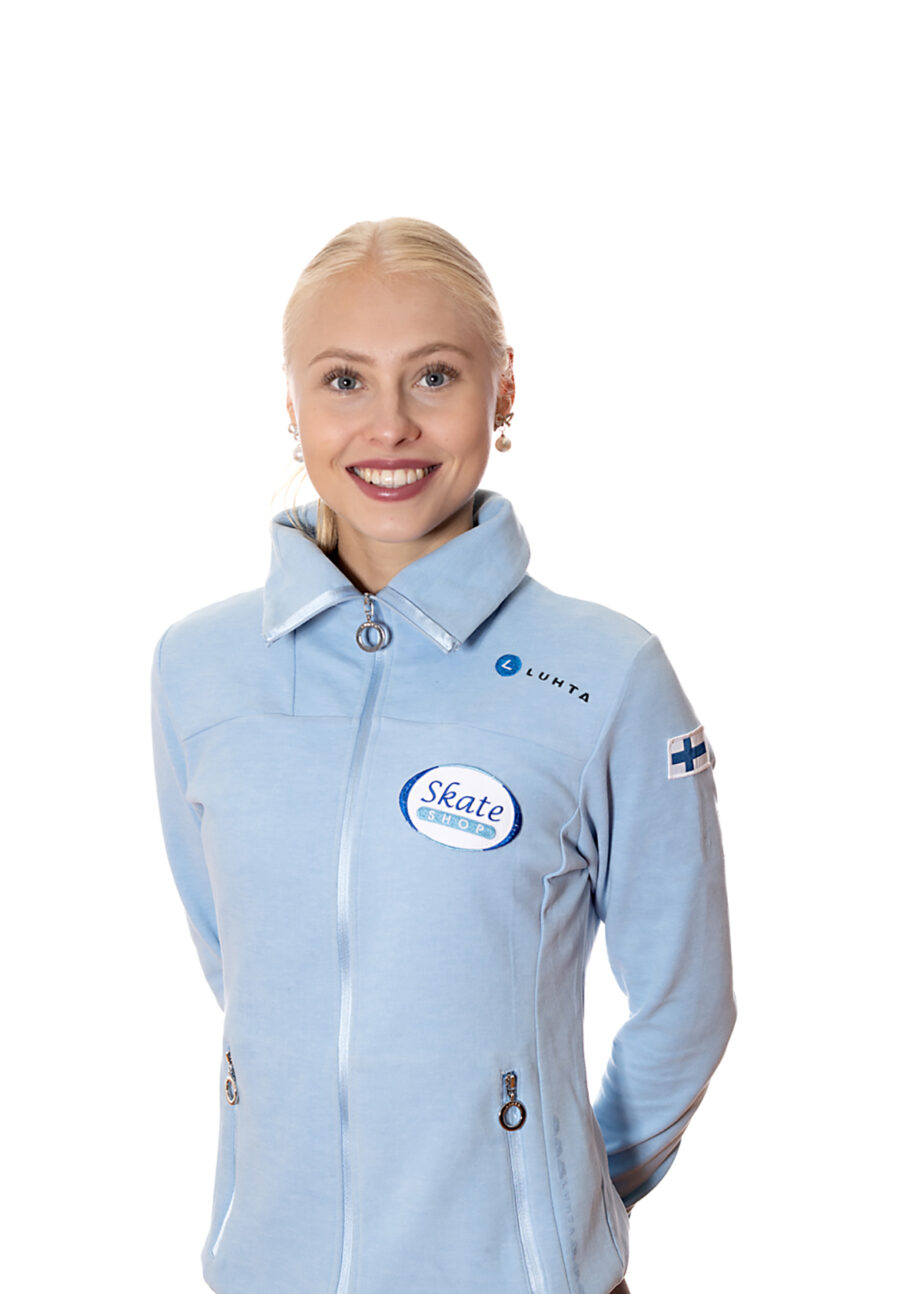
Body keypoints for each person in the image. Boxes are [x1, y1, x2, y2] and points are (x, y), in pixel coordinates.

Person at [150, 216, 737, 1294]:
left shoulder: (608, 673)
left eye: (434, 376)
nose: (390, 426)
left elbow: (686, 1005)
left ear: (503, 389)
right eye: (343, 380)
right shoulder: (199, 669)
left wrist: (557, 1198)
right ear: (290, 403)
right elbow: (244, 965)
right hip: (265, 1268)